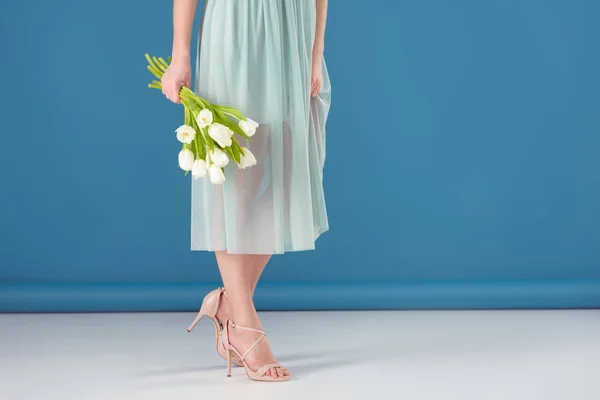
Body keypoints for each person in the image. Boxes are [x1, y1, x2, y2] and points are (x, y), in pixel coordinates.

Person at [161, 0, 331, 382]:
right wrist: (180, 55)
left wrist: (316, 52)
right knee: (237, 176)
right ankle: (246, 324)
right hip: (237, 27)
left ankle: (229, 306)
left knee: (287, 168)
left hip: (294, 31)